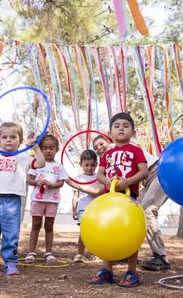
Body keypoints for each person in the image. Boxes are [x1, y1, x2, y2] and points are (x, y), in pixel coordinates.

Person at [0, 123, 44, 275]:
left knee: (11, 233)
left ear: (20, 140)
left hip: (13, 201)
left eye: (13, 137)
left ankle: (10, 263)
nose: (8, 140)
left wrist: (36, 147)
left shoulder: (23, 157)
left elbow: (41, 163)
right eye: (4, 137)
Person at [93, 134, 171, 271]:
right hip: (146, 182)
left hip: (158, 172)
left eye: (101, 144)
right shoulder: (109, 157)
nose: (99, 148)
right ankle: (126, 250)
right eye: (96, 147)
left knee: (146, 210)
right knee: (135, 212)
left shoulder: (119, 148)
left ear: (109, 140)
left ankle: (161, 256)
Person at [90, 112, 149, 288]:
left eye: (125, 125)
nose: (121, 128)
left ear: (133, 132)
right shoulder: (107, 154)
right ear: (110, 133)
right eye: (117, 126)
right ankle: (107, 269)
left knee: (130, 233)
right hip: (109, 199)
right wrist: (106, 181)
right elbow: (99, 174)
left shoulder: (136, 150)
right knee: (107, 231)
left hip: (128, 198)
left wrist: (127, 182)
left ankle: (132, 271)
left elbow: (143, 171)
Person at [23, 134, 68, 264]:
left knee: (49, 227)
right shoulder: (36, 164)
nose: (48, 151)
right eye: (45, 148)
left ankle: (48, 253)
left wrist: (53, 185)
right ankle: (31, 252)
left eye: (51, 148)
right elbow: (29, 180)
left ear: (56, 149)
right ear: (41, 150)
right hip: (38, 199)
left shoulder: (59, 166)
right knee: (36, 226)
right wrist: (38, 181)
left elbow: (61, 182)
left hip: (52, 200)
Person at [67, 149, 104, 262]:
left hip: (96, 209)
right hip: (83, 209)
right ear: (81, 164)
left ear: (97, 165)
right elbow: (75, 195)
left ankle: (96, 253)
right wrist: (74, 210)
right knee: (83, 232)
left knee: (96, 232)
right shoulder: (78, 178)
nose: (89, 168)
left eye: (92, 165)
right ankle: (80, 253)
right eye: (86, 165)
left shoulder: (98, 177)